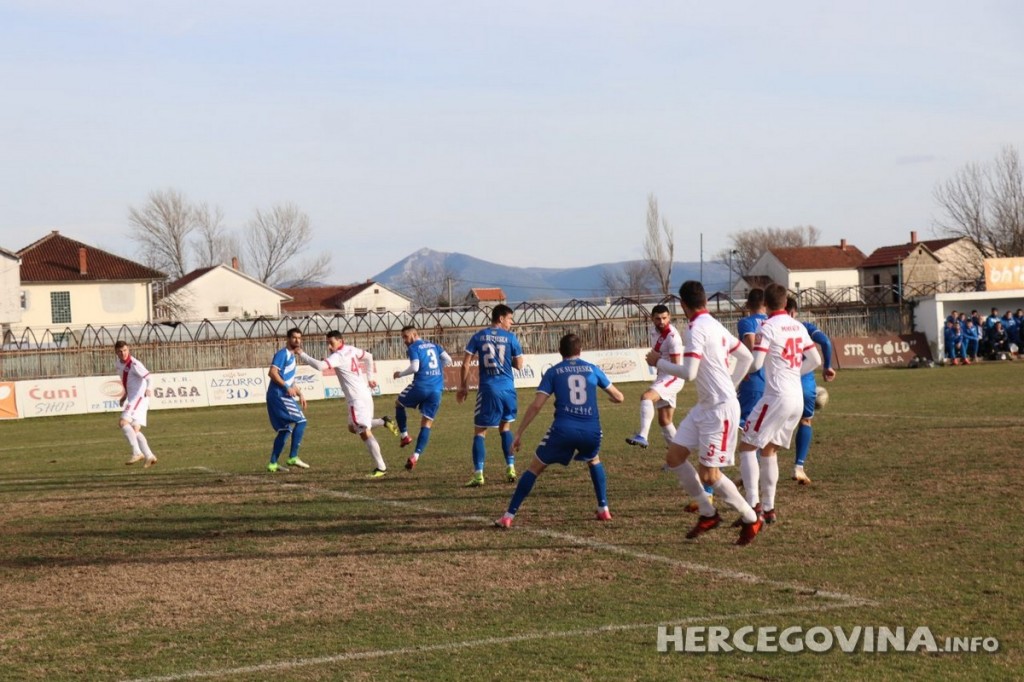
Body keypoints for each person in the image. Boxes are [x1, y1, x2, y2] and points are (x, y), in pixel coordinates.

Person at [646, 281, 762, 546]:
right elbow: (746, 357)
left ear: (683, 305)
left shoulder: (696, 328)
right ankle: (708, 514)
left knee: (710, 475)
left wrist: (658, 362)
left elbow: (690, 373)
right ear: (705, 302)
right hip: (706, 406)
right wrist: (730, 384)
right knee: (675, 457)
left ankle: (750, 517)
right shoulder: (714, 323)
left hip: (719, 410)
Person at [494, 333, 624, 528]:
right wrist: (614, 399)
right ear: (580, 351)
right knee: (594, 459)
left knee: (534, 468)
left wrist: (519, 432)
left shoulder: (554, 372)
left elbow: (537, 405)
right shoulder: (592, 369)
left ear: (560, 352)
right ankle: (603, 509)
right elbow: (619, 396)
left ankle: (508, 516)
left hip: (563, 429)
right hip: (591, 430)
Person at [737, 283, 821, 526]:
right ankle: (770, 507)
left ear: (766, 303)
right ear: (786, 303)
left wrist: (737, 371)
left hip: (776, 396)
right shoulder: (798, 325)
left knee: (747, 447)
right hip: (796, 398)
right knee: (769, 450)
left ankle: (753, 505)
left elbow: (757, 363)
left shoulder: (768, 327)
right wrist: (795, 373)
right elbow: (814, 359)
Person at [300, 331, 399, 478]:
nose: (329, 346)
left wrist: (301, 353)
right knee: (352, 428)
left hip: (356, 399)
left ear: (340, 341)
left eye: (331, 343)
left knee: (364, 431)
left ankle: (381, 467)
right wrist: (370, 378)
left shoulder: (338, 356)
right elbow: (369, 357)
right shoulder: (351, 349)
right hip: (364, 394)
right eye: (327, 343)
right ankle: (383, 421)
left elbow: (321, 366)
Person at [457, 304, 524, 487]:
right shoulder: (511, 338)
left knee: (480, 431)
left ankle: (479, 474)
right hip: (508, 390)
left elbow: (465, 364)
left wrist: (463, 387)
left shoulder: (478, 336)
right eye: (510, 319)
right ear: (500, 319)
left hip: (489, 389)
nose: (511, 323)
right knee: (505, 428)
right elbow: (519, 365)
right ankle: (510, 467)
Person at [784, 297, 837, 485]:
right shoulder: (803, 327)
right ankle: (798, 467)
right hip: (805, 383)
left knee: (767, 426)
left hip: (783, 383)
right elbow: (826, 343)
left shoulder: (772, 327)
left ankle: (753, 468)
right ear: (794, 312)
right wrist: (828, 366)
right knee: (805, 421)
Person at [392, 325, 453, 471]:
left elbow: (415, 367)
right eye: (403, 338)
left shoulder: (414, 348)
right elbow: (448, 360)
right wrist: (436, 369)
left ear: (414, 335)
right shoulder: (435, 345)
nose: (404, 341)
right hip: (437, 389)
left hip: (421, 386)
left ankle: (405, 435)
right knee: (426, 424)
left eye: (405, 337)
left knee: (399, 403)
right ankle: (415, 456)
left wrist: (399, 374)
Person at [625, 304, 683, 450]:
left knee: (646, 397)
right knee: (664, 420)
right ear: (652, 319)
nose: (661, 321)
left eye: (664, 318)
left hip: (673, 376)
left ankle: (643, 436)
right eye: (658, 319)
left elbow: (677, 367)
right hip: (663, 375)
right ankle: (678, 460)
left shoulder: (673, 337)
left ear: (669, 317)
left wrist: (657, 361)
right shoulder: (653, 331)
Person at [735, 288, 768, 508]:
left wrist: (745, 368)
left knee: (745, 428)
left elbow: (750, 342)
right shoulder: (773, 322)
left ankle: (750, 478)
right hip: (771, 382)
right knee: (757, 431)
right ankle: (753, 475)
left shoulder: (747, 322)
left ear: (748, 304)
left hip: (753, 381)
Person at [265, 328, 310, 472]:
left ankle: (273, 463)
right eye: (294, 338)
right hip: (279, 395)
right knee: (301, 421)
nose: (297, 340)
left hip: (279, 394)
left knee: (285, 430)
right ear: (288, 339)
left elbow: (289, 381)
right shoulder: (282, 354)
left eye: (299, 338)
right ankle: (293, 457)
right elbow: (272, 372)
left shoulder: (292, 357)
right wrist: (286, 386)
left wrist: (300, 393)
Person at [114, 340, 158, 469]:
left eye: (125, 350)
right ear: (116, 352)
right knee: (134, 430)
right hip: (133, 398)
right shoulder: (118, 364)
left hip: (139, 398)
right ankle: (149, 456)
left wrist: (149, 388)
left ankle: (137, 452)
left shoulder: (134, 364)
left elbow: (149, 377)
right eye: (120, 351)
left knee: (123, 423)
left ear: (129, 350)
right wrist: (125, 395)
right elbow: (128, 381)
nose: (123, 353)